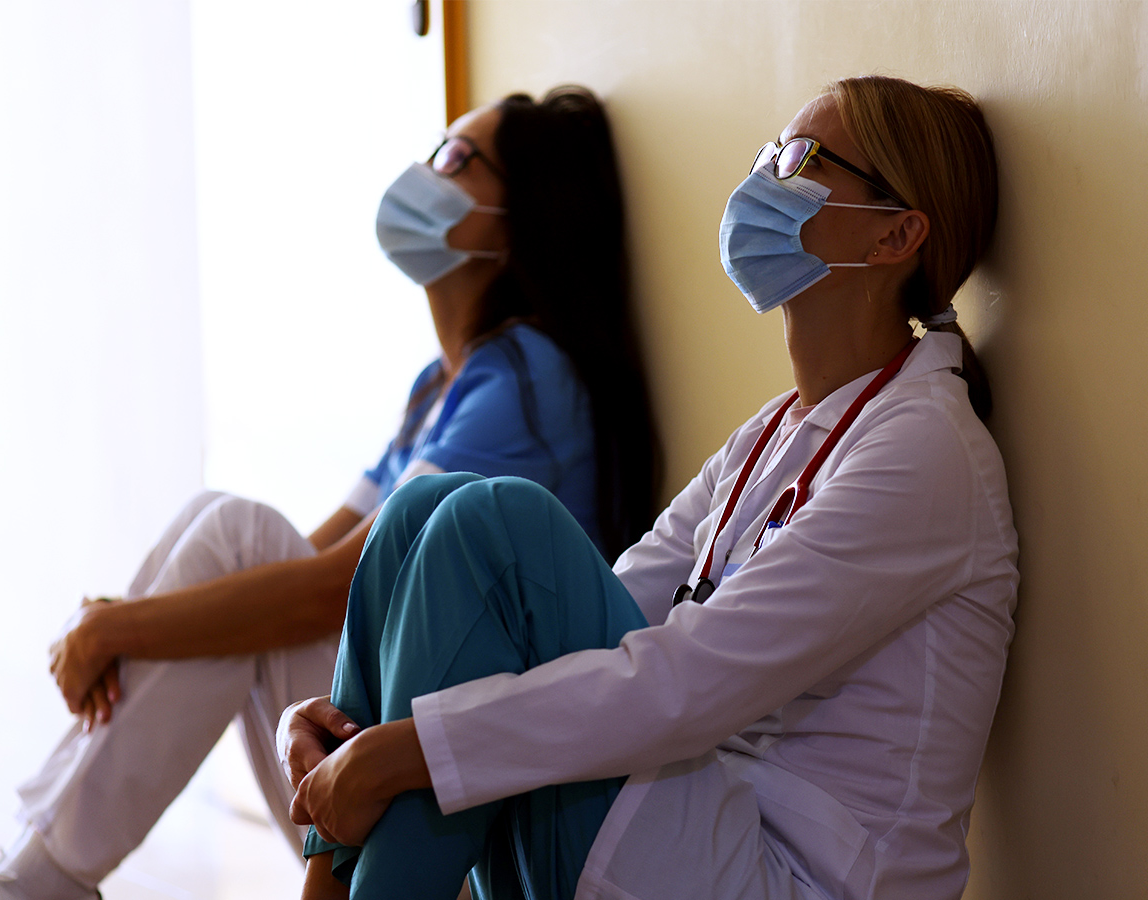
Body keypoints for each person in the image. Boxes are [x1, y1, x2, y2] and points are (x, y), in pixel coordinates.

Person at [278, 75, 1018, 900]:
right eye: (767, 153)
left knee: (495, 520)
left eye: (799, 158)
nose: (761, 178)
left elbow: (689, 680)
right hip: (697, 820)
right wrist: (358, 741)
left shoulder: (925, 449)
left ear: (895, 236)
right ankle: (327, 878)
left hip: (788, 872)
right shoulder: (776, 431)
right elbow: (616, 610)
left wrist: (399, 751)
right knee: (421, 511)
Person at [0, 86, 659, 900]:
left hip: (468, 826)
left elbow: (322, 593)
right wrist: (130, 622)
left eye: (457, 160)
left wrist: (119, 626)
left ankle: (26, 885)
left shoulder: (529, 378)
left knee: (236, 536)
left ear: (519, 222)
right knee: (224, 527)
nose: (425, 171)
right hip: (388, 786)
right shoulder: (441, 385)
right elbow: (317, 563)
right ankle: (27, 876)